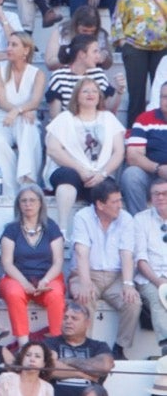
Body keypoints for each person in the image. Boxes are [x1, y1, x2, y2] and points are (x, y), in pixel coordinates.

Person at [69, 178, 139, 358]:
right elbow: (81, 251)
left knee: (133, 302)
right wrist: (85, 282)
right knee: (83, 298)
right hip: (86, 273)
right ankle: (83, 348)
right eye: (115, 202)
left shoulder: (126, 219)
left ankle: (119, 348)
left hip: (115, 276)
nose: (120, 205)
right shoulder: (83, 216)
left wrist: (128, 283)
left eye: (120, 200)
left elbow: (127, 253)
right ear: (100, 204)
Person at [46, 78, 126, 233]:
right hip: (70, 170)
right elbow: (53, 149)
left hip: (99, 173)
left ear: (100, 96)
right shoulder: (65, 118)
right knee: (68, 177)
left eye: (94, 91)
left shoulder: (108, 118)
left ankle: (103, 233)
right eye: (85, 91)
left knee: (105, 190)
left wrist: (102, 174)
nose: (91, 94)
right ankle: (62, 230)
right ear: (76, 95)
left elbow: (119, 152)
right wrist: (81, 170)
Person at [0, 184, 66, 347]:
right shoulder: (11, 229)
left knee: (56, 293)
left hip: (47, 277)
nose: (28, 204)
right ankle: (24, 344)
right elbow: (7, 263)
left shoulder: (51, 227)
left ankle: (56, 342)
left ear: (40, 203)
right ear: (18, 205)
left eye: (32, 200)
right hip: (17, 278)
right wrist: (25, 284)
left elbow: (58, 261)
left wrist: (45, 281)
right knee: (14, 293)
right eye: (23, 201)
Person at [113, 0, 167, 126]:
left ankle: (159, 135)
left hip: (162, 50)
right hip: (135, 49)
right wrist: (122, 43)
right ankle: (133, 136)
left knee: (161, 95)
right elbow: (117, 19)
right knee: (136, 97)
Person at [0, 30, 46, 188]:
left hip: (23, 118)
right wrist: (19, 110)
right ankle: (11, 189)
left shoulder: (38, 74)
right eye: (8, 44)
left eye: (14, 45)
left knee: (29, 127)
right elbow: (1, 101)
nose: (9, 48)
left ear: (26, 50)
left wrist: (17, 111)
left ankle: (28, 182)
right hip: (1, 119)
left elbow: (35, 100)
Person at [44, 301, 114, 396]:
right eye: (65, 318)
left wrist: (69, 360)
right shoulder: (50, 342)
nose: (68, 321)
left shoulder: (99, 346)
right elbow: (49, 367)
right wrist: (82, 374)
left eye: (74, 318)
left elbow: (104, 366)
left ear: (87, 323)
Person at [46, 33, 121, 118]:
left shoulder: (98, 74)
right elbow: (55, 117)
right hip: (67, 127)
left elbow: (109, 109)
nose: (99, 56)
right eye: (95, 51)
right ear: (82, 54)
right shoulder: (58, 76)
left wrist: (119, 90)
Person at [134, 177, 167, 356]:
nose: (160, 197)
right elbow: (140, 259)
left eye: (164, 193)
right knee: (158, 297)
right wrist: (159, 281)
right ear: (151, 198)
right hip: (148, 278)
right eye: (156, 194)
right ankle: (166, 347)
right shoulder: (141, 219)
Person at [123, 85, 167, 216]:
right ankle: (141, 223)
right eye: (164, 97)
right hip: (151, 173)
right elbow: (133, 156)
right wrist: (158, 168)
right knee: (131, 175)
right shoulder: (145, 119)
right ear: (159, 99)